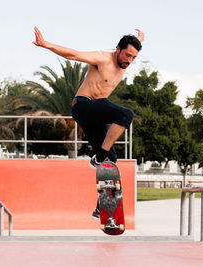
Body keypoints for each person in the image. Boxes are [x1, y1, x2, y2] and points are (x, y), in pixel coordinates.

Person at [33, 26, 144, 220]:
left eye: (133, 58)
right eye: (127, 55)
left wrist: (140, 39)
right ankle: (98, 157)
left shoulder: (125, 62)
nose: (129, 61)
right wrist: (45, 44)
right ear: (118, 48)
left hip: (96, 114)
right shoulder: (102, 58)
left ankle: (102, 208)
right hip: (83, 105)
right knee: (126, 115)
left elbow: (133, 48)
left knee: (111, 161)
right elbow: (73, 55)